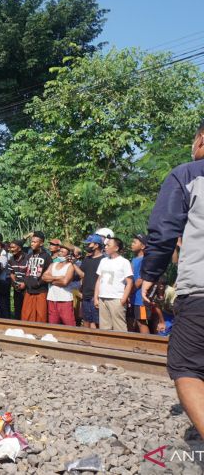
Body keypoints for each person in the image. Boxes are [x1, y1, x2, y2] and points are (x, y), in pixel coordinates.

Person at [141, 124, 204, 438]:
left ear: (201, 139)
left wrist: (150, 275)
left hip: (201, 292)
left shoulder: (188, 174)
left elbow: (165, 231)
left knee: (186, 366)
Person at [94, 237, 133, 331]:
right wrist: (96, 297)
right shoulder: (103, 261)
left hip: (116, 299)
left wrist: (123, 300)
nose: (105, 247)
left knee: (119, 328)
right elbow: (99, 280)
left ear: (116, 248)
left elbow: (129, 282)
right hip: (102, 298)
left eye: (108, 245)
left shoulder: (124, 262)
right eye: (105, 245)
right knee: (104, 328)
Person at [76, 234, 105, 328]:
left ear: (96, 245)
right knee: (86, 320)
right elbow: (82, 275)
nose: (87, 246)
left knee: (97, 322)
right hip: (86, 295)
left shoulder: (104, 260)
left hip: (96, 296)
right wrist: (72, 264)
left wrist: (97, 296)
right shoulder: (87, 259)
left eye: (89, 244)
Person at [22, 231, 52, 322]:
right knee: (26, 315)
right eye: (31, 241)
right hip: (29, 290)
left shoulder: (46, 256)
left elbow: (49, 272)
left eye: (35, 242)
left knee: (41, 316)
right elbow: (26, 270)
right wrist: (25, 282)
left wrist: (39, 283)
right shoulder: (29, 255)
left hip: (41, 291)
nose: (32, 244)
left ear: (41, 243)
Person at [43, 243, 76, 325]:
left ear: (69, 255)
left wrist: (51, 280)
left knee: (69, 324)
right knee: (53, 324)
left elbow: (65, 282)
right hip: (52, 298)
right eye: (60, 251)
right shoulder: (53, 265)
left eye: (63, 252)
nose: (60, 253)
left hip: (65, 300)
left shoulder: (70, 266)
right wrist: (58, 277)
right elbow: (44, 277)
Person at [130, 234, 150, 334]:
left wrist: (129, 292)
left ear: (142, 246)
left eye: (135, 242)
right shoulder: (134, 259)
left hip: (140, 300)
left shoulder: (144, 260)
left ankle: (148, 343)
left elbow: (140, 280)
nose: (132, 244)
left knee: (141, 322)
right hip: (133, 298)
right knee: (133, 321)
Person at [8, 239, 28, 320]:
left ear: (19, 248)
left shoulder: (28, 258)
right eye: (10, 247)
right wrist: (14, 284)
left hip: (27, 288)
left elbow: (30, 273)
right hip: (17, 288)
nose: (11, 249)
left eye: (13, 247)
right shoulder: (11, 260)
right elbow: (12, 273)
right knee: (17, 309)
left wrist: (25, 284)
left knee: (26, 309)